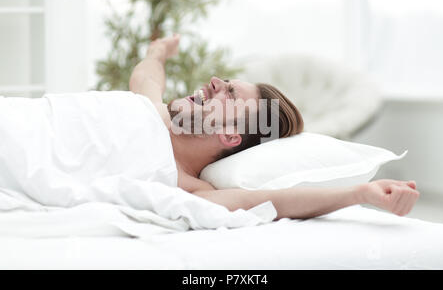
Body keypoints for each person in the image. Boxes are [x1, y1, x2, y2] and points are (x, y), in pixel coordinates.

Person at [129, 34, 420, 220]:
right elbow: (147, 79)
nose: (215, 81)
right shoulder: (153, 111)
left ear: (231, 135)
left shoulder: (188, 187)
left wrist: (360, 193)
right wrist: (157, 52)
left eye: (230, 93)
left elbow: (272, 201)